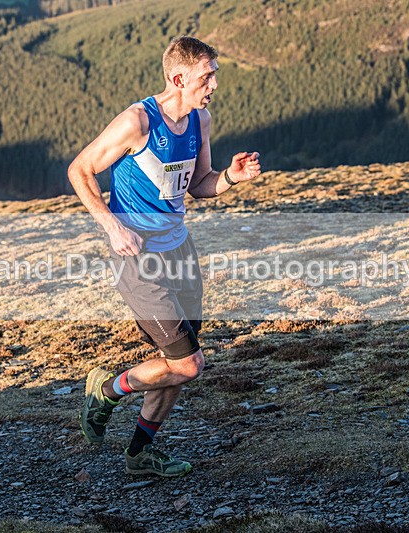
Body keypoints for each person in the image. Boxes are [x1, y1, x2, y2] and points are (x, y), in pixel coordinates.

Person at [67, 35, 261, 477]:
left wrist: (232, 177)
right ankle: (108, 390)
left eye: (214, 75)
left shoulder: (200, 120)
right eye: (206, 76)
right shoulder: (138, 122)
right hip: (138, 257)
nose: (214, 85)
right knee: (189, 365)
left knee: (182, 361)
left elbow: (200, 184)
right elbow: (79, 169)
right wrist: (112, 226)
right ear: (179, 77)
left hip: (180, 250)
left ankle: (139, 453)